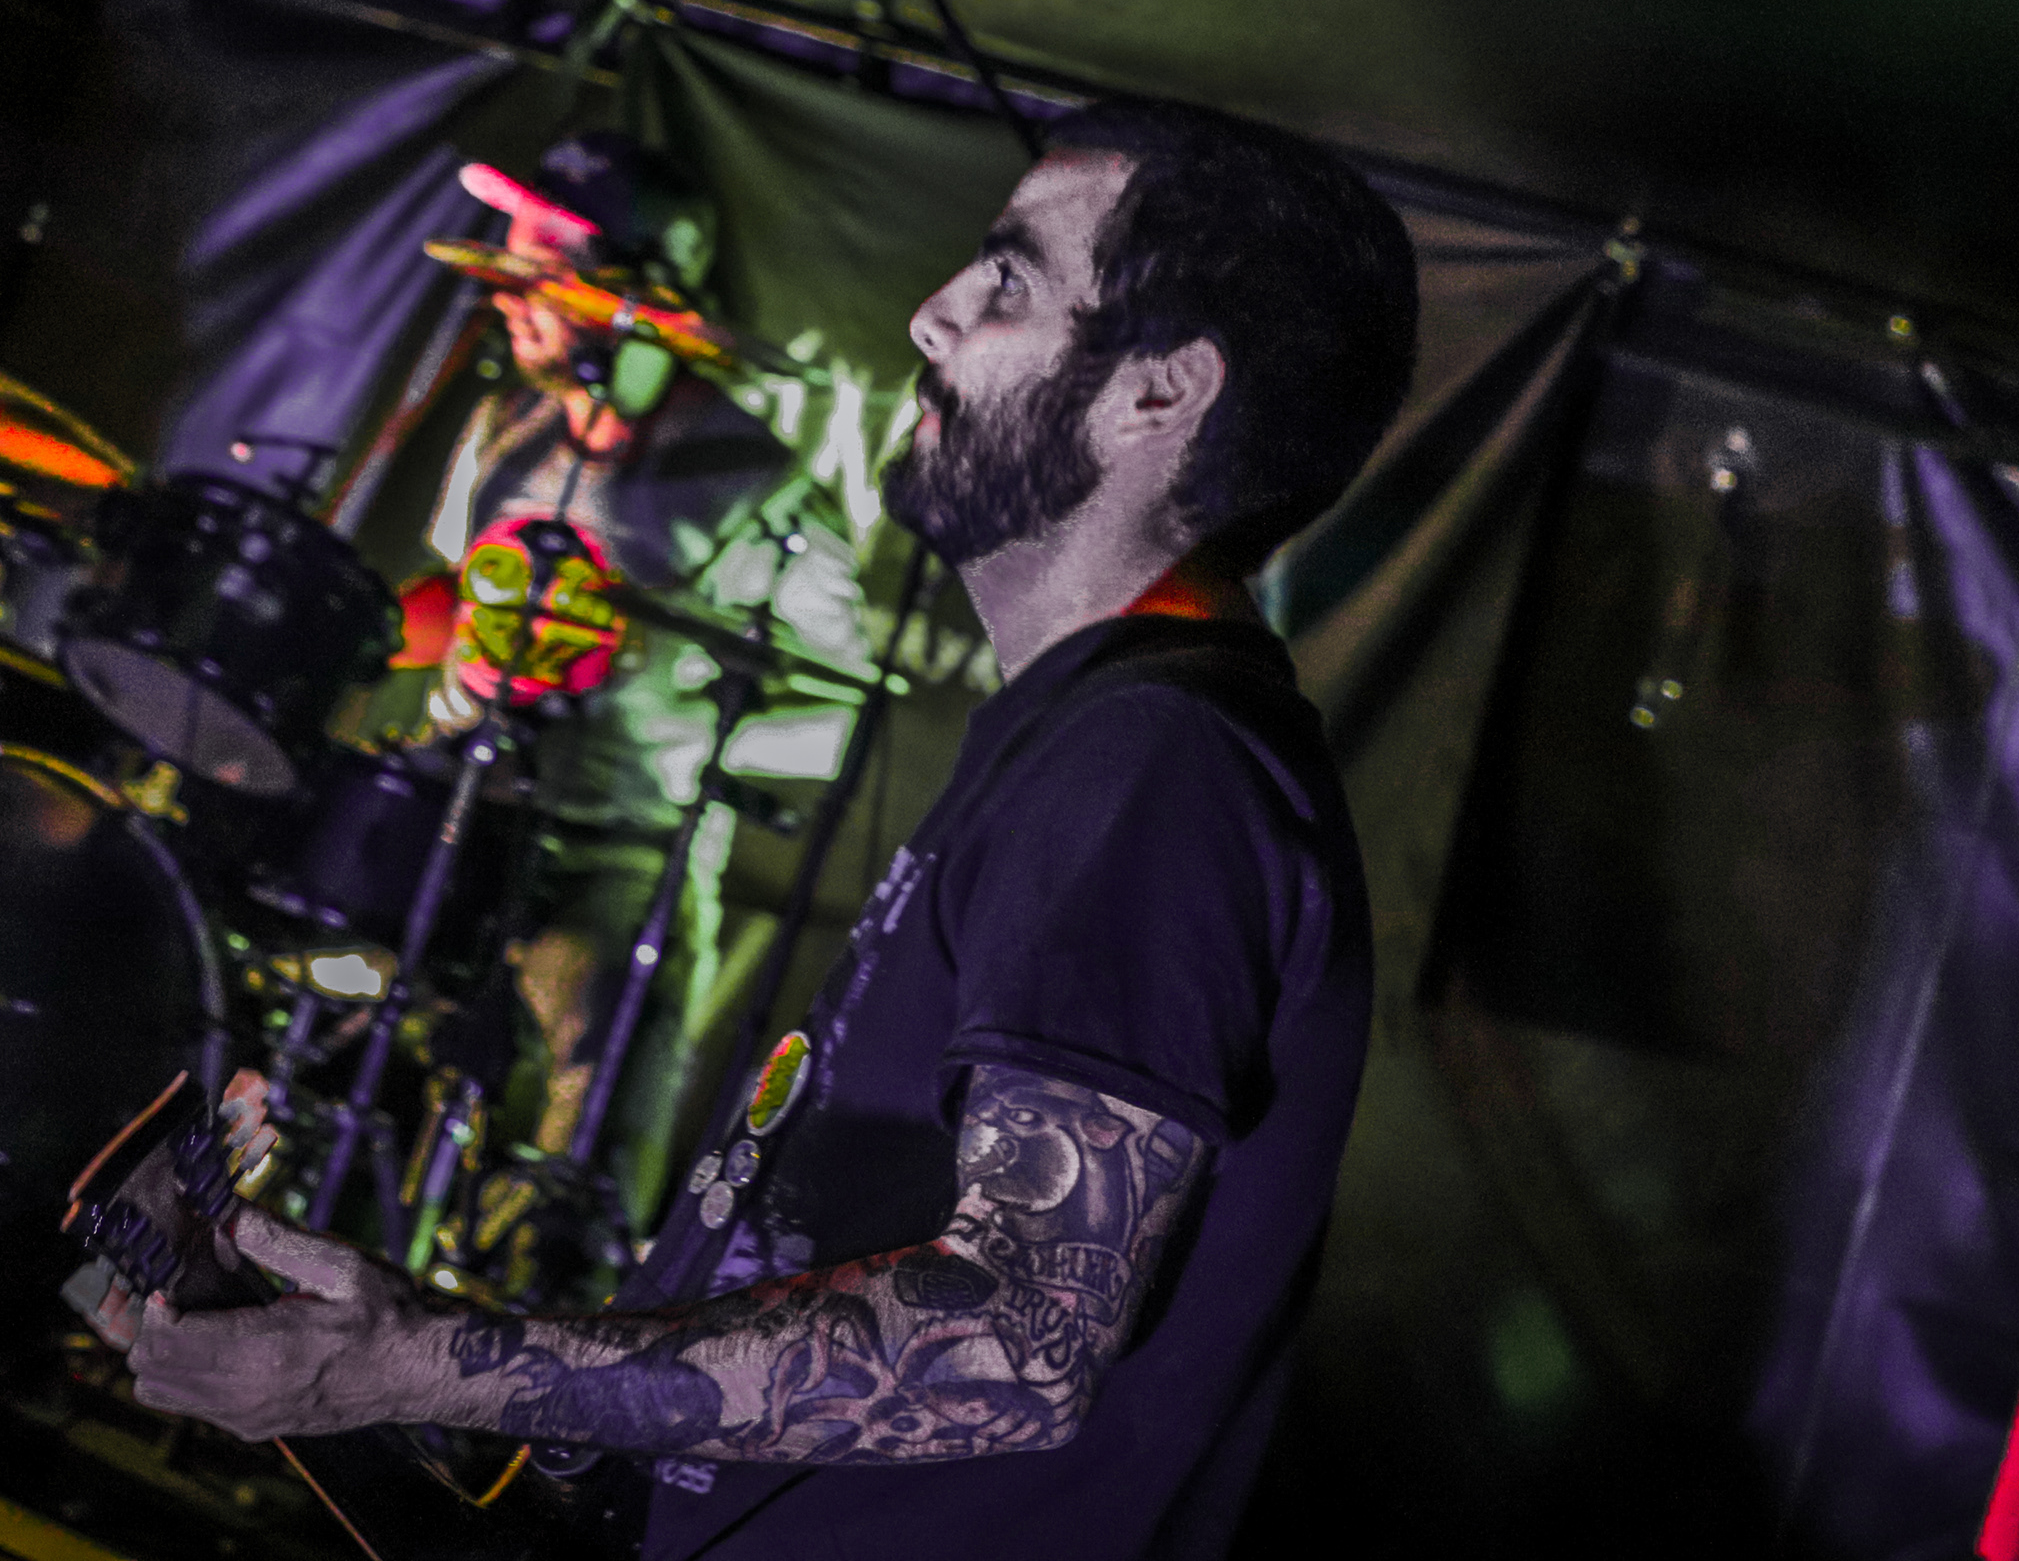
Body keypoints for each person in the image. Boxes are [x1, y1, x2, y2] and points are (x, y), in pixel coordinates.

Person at [127, 98, 1418, 1560]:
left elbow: (1014, 1344)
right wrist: (383, 1354)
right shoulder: (1090, 734)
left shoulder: (1160, 763)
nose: (934, 314)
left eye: (1008, 279)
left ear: (1159, 395)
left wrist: (421, 1362)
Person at [407, 132, 865, 1231]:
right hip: (469, 830)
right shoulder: (505, 429)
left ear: (639, 290)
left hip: (626, 859)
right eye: (504, 261)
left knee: (569, 1194)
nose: (507, 291)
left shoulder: (755, 485)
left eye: (539, 265)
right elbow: (446, 605)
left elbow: (841, 719)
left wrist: (680, 714)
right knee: (400, 1128)